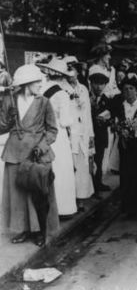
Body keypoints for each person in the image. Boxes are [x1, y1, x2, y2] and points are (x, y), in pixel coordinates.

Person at [1, 64, 59, 246]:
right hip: (14, 153)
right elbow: (2, 126)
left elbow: (52, 130)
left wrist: (42, 146)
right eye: (37, 82)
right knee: (18, 195)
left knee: (39, 194)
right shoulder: (9, 100)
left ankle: (40, 231)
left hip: (36, 155)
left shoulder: (44, 102)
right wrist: (8, 118)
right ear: (27, 83)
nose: (40, 85)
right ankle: (24, 229)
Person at [37, 58, 77, 217]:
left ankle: (45, 209)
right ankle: (62, 208)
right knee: (61, 169)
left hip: (42, 134)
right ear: (62, 77)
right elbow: (65, 120)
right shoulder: (62, 94)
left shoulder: (39, 90)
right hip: (58, 136)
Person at [112, 76, 137, 219]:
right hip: (125, 147)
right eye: (125, 89)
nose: (128, 92)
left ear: (136, 91)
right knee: (127, 176)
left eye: (131, 89)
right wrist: (119, 129)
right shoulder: (120, 106)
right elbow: (115, 122)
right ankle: (129, 208)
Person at [61, 56, 95, 211]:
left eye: (73, 69)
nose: (71, 73)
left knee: (82, 167)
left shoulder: (83, 89)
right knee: (71, 167)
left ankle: (81, 199)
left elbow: (88, 114)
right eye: (68, 69)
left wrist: (91, 135)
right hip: (69, 132)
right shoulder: (61, 89)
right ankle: (69, 201)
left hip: (83, 132)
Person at [88, 66, 113, 193]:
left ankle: (98, 183)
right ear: (91, 84)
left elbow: (111, 117)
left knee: (99, 160)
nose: (99, 87)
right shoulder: (86, 98)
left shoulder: (106, 100)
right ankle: (89, 186)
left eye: (102, 84)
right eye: (96, 84)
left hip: (101, 136)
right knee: (89, 162)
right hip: (89, 136)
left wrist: (106, 120)